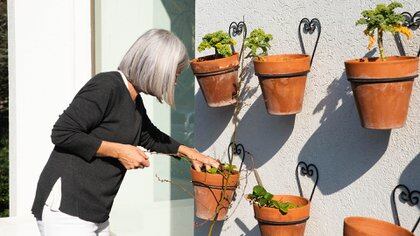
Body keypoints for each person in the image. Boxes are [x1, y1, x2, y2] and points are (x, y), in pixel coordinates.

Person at [31, 29, 220, 236]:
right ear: (156, 67)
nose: (175, 80)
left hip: (96, 212)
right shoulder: (107, 85)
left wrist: (190, 153)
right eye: (174, 73)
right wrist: (120, 151)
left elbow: (148, 135)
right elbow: (63, 133)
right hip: (66, 209)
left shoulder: (133, 99)